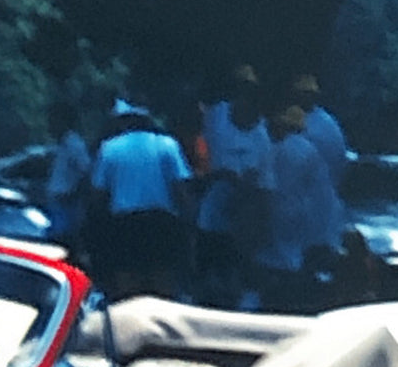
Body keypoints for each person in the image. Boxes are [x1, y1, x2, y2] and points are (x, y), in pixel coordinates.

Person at [86, 99, 193, 300]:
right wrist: (188, 222)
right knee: (163, 286)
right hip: (161, 223)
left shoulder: (109, 148)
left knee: (128, 288)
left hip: (125, 225)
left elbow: (97, 195)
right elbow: (181, 189)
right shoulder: (168, 145)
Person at [253, 105, 343, 311]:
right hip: (302, 215)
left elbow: (265, 185)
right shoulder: (309, 150)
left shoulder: (276, 149)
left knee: (278, 256)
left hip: (278, 211)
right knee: (293, 256)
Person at [197, 64, 274, 308]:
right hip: (210, 215)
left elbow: (265, 187)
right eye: (241, 91)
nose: (245, 99)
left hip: (240, 222)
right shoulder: (216, 116)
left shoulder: (262, 137)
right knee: (207, 273)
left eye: (250, 94)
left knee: (234, 276)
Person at [43, 101, 92, 250]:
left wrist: (72, 194)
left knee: (63, 244)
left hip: (66, 206)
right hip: (55, 203)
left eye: (53, 119)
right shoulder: (59, 144)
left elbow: (86, 172)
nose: (49, 124)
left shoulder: (74, 144)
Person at [291, 74, 348, 188]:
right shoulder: (290, 117)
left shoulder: (326, 124)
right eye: (302, 93)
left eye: (307, 93)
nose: (303, 97)